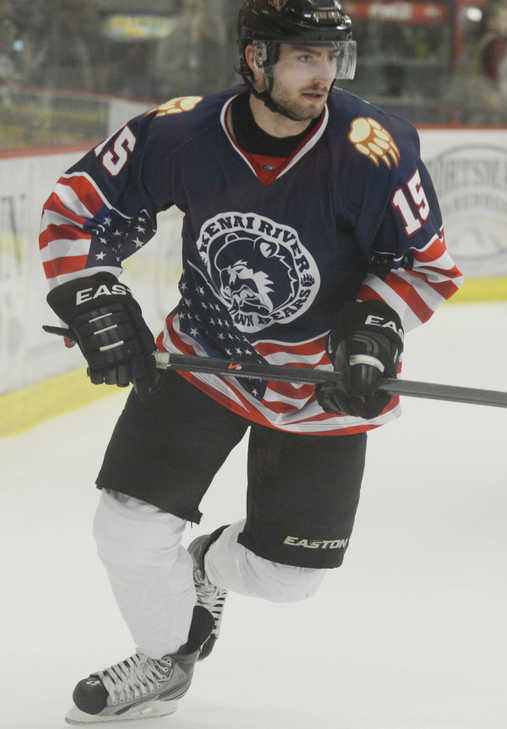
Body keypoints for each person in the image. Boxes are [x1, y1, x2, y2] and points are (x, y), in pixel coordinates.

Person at [38, 0, 462, 723]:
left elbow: (422, 265)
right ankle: (164, 658)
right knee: (127, 529)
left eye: (331, 56)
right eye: (303, 56)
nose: (322, 73)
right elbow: (80, 211)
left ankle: (208, 566)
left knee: (289, 579)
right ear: (255, 58)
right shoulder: (181, 132)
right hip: (205, 359)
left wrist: (371, 331)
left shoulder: (373, 148)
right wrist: (95, 299)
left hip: (315, 386)